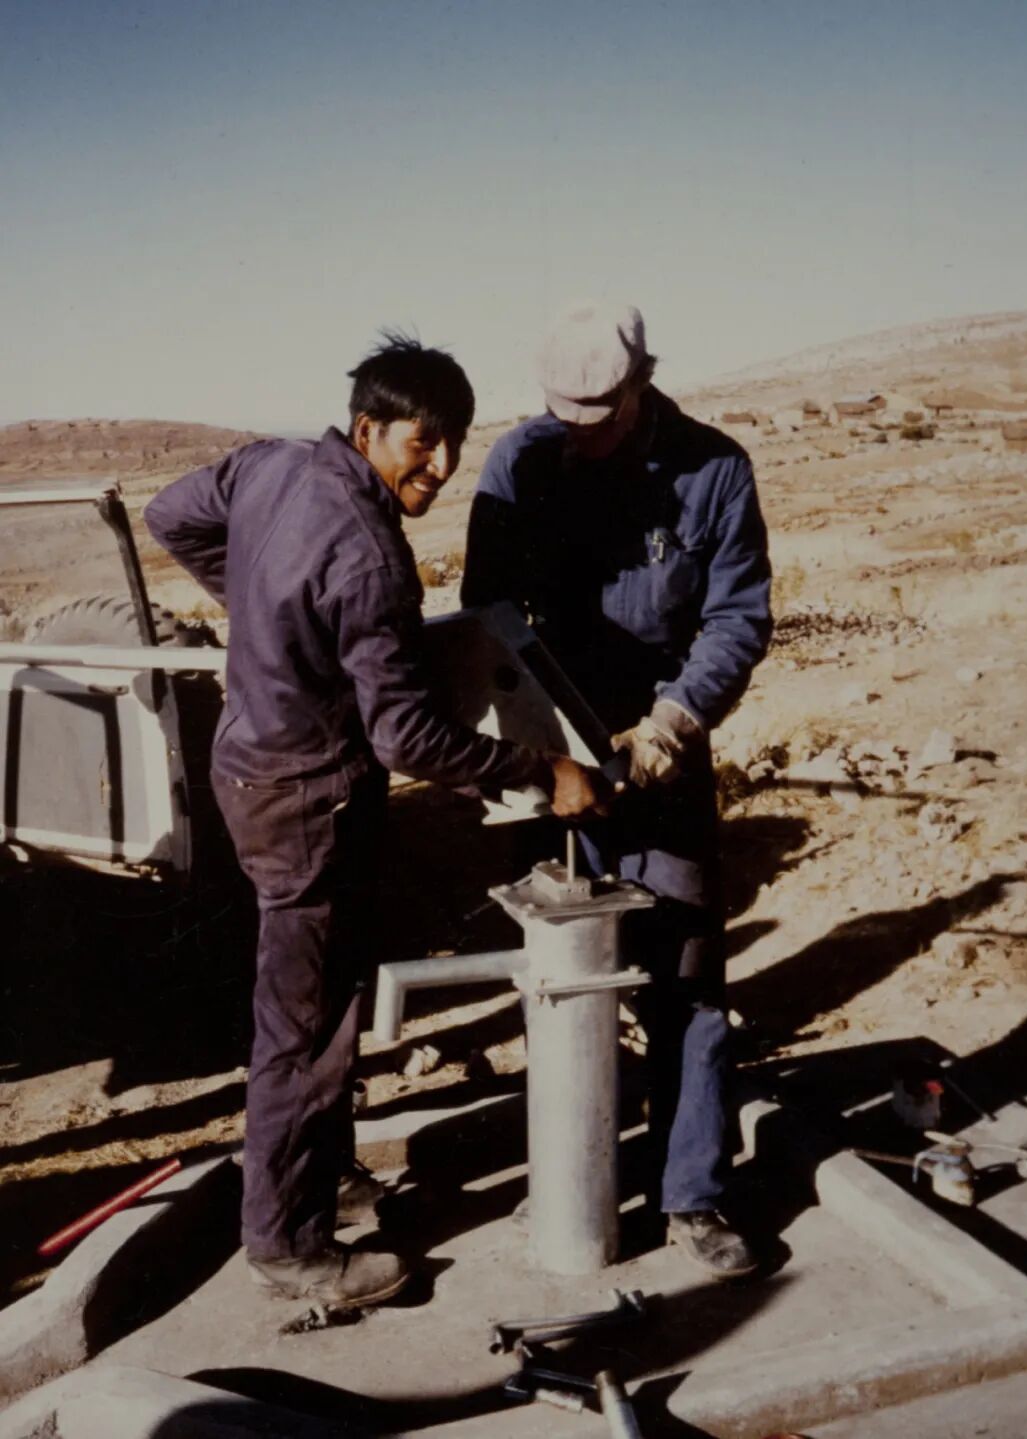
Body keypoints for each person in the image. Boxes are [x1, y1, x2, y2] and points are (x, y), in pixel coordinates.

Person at [145, 333, 604, 1309]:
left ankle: (324, 1173)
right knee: (307, 1026)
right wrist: (540, 768)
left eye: (453, 443)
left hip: (250, 772)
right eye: (420, 443)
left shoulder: (272, 465)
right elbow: (407, 738)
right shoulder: (369, 557)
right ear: (368, 430)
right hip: (309, 798)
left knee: (315, 996)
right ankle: (290, 1245)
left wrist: (266, 609)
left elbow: (170, 513)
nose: (439, 464)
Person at [461, 302, 772, 1278]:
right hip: (552, 755)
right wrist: (531, 746)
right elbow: (487, 609)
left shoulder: (714, 469)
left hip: (660, 746)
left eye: (600, 417)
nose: (580, 435)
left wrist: (676, 720)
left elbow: (738, 616)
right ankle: (571, 1168)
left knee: (686, 979)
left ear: (642, 382)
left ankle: (692, 1192)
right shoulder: (520, 463)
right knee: (560, 982)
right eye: (566, 416)